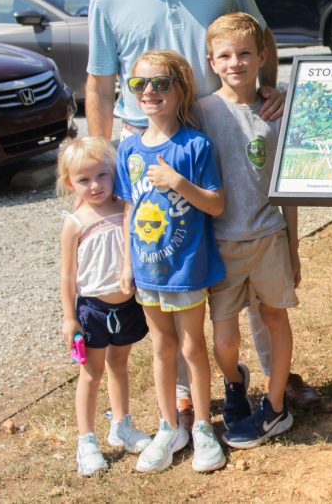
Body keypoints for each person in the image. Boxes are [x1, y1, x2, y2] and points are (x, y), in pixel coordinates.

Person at [86, 0, 319, 422]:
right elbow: (99, 83)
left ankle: (273, 382)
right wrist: (98, 162)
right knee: (176, 264)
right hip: (150, 149)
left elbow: (258, 37)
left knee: (250, 244)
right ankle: (192, 389)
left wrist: (267, 88)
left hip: (223, 134)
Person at [115, 51, 227, 473]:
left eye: (161, 84)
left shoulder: (196, 145)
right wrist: (127, 265)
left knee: (192, 346)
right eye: (139, 84)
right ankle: (168, 426)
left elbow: (216, 204)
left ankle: (202, 426)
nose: (149, 92)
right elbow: (129, 211)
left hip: (188, 268)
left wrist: (178, 182)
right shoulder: (127, 148)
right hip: (148, 269)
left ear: (181, 89)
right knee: (161, 348)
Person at [193, 12, 301, 449]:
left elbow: (289, 188)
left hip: (269, 237)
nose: (234, 62)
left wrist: (294, 249)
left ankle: (275, 406)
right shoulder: (199, 113)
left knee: (275, 317)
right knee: (224, 338)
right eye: (224, 55)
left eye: (244, 54)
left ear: (261, 58)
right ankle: (235, 382)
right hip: (221, 245)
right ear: (211, 61)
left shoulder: (278, 111)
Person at [57, 137, 151, 476]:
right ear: (70, 183)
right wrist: (70, 318)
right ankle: (86, 440)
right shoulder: (75, 223)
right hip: (93, 310)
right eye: (84, 179)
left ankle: (122, 424)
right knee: (91, 373)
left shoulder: (125, 208)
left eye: (102, 175)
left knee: (120, 366)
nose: (95, 185)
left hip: (126, 306)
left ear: (114, 173)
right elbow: (68, 275)